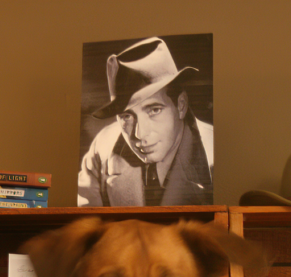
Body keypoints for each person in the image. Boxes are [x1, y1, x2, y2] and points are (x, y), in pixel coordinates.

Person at [78, 37, 213, 207]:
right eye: (126, 116)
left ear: (181, 105)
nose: (139, 135)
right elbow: (86, 222)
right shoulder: (102, 148)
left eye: (154, 110)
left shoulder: (213, 156)